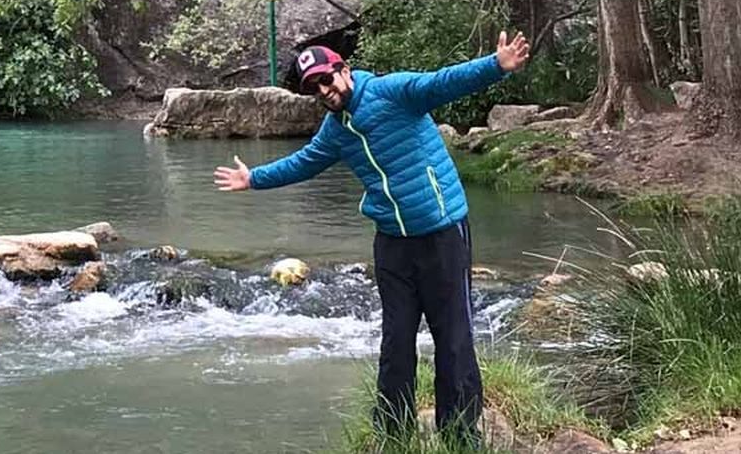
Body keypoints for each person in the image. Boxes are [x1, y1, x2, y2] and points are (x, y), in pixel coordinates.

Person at [213, 32, 531, 444]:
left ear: (344, 70)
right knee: (396, 343)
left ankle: (460, 438)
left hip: (441, 232)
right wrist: (254, 178)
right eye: (314, 88)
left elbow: (442, 82)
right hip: (392, 242)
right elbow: (305, 163)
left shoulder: (392, 92)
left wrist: (495, 64)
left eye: (327, 80)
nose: (324, 91)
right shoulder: (335, 130)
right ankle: (394, 437)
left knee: (452, 339)